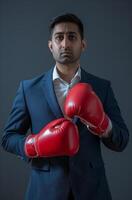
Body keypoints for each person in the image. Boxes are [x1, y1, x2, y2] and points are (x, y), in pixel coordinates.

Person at [2, 13, 129, 200]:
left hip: (92, 190)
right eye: (59, 37)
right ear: (50, 45)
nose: (65, 44)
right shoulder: (29, 89)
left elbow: (122, 140)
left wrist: (103, 124)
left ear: (82, 44)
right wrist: (34, 145)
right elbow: (8, 138)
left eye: (72, 37)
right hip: (44, 191)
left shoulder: (102, 88)